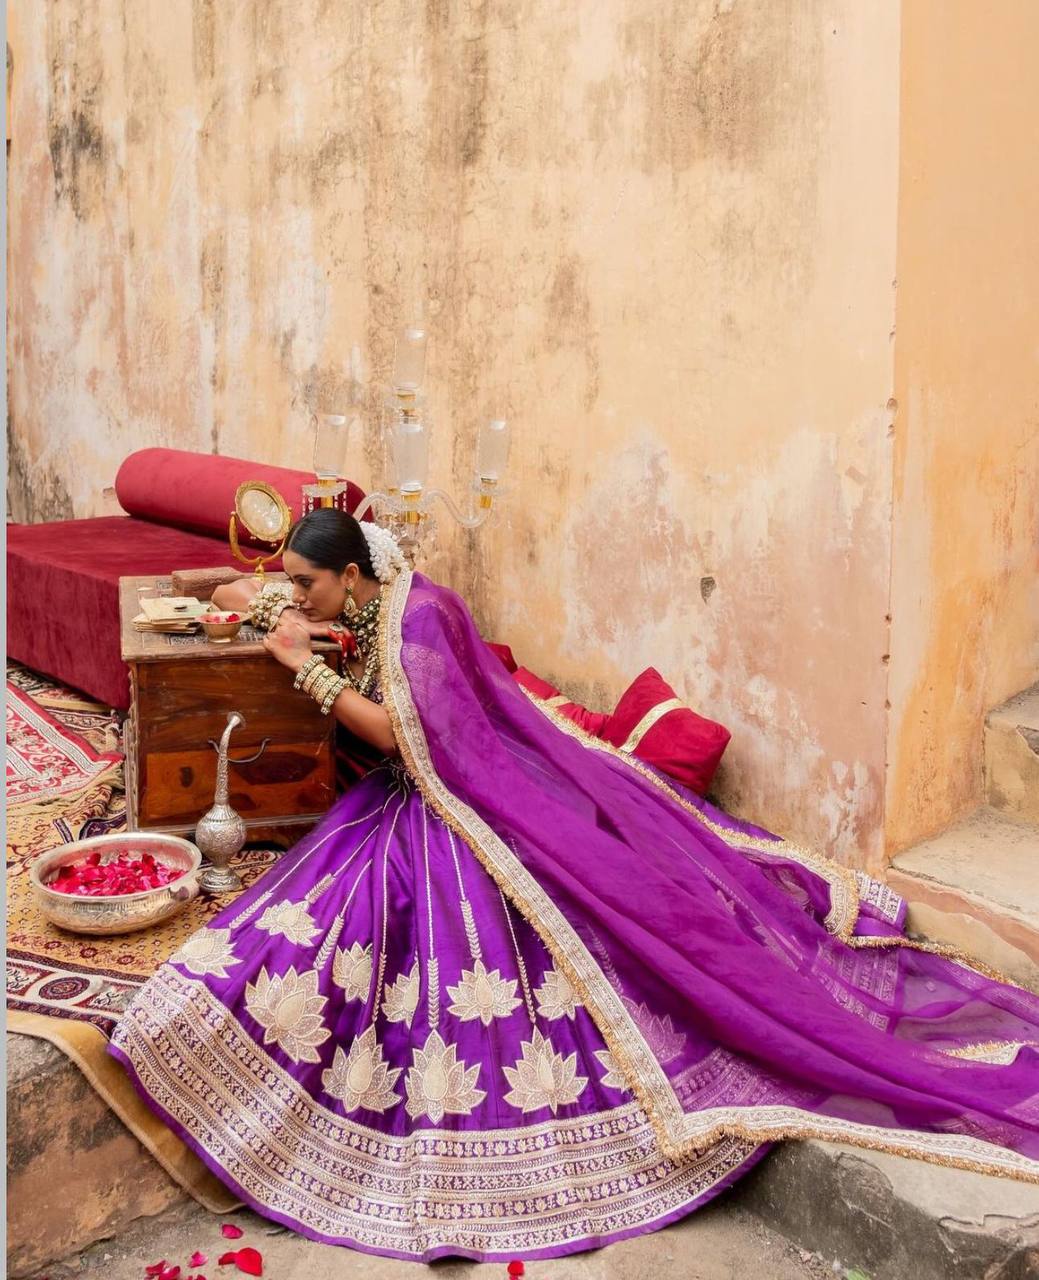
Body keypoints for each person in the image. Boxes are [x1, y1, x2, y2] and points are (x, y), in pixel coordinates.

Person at [110, 510, 1039, 1264]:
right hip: (407, 792)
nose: (297, 596)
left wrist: (302, 667)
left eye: (308, 584)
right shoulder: (373, 596)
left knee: (381, 920)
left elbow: (402, 738)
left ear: (352, 576)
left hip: (446, 802)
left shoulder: (416, 620)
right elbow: (266, 598)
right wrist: (283, 612)